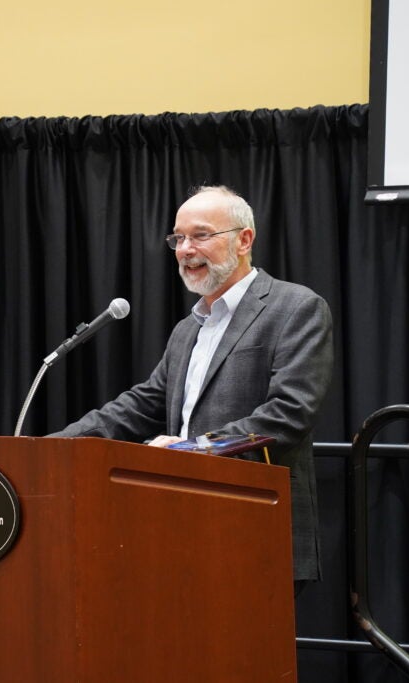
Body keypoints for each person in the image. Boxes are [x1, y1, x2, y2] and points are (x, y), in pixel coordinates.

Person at [51, 185, 334, 585]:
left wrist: (188, 450)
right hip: (179, 525)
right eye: (178, 238)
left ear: (244, 240)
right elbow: (142, 405)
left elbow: (288, 414)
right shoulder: (189, 328)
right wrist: (53, 447)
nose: (185, 249)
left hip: (254, 524)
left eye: (200, 235)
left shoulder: (295, 308)